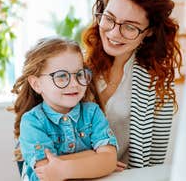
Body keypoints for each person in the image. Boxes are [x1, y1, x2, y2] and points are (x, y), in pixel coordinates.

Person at [82, 0, 182, 168]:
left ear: (149, 31)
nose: (114, 32)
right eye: (109, 18)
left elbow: (154, 162)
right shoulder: (77, 67)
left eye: (130, 27)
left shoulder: (158, 82)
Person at [11, 37, 118, 181]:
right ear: (36, 84)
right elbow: (47, 172)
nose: (74, 84)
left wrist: (64, 168)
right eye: (61, 76)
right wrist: (95, 158)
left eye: (79, 74)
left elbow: (109, 160)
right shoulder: (32, 122)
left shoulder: (92, 113)